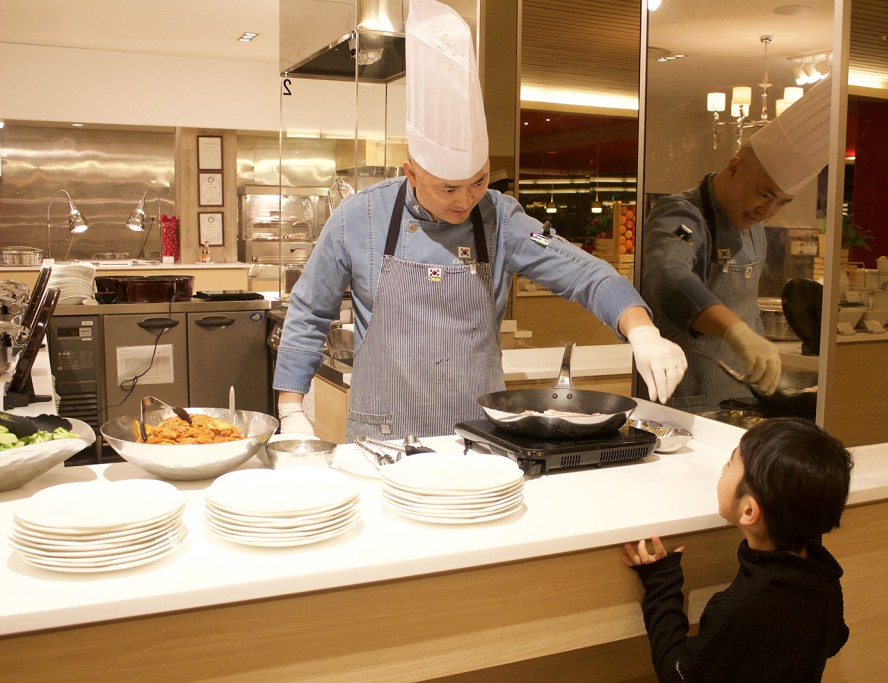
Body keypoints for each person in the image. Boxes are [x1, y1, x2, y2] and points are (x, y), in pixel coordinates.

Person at [274, 0, 687, 440]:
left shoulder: (500, 219)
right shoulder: (361, 217)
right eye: (448, 188)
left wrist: (641, 330)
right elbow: (309, 310)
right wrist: (290, 409)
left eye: (478, 181)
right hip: (382, 438)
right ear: (411, 172)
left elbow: (584, 273)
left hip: (477, 440)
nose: (466, 199)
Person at [640, 78, 831, 415]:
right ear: (735, 167)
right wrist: (736, 332)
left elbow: (747, 307)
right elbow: (670, 274)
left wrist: (759, 349)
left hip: (737, 398)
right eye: (764, 193)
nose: (767, 211)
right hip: (681, 402)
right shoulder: (682, 219)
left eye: (781, 203)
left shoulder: (753, 228)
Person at [622, 417, 853, 682]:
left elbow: (679, 674)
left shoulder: (738, 609)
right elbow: (834, 639)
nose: (722, 469)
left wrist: (661, 585)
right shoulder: (824, 580)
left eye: (730, 465)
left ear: (749, 511)